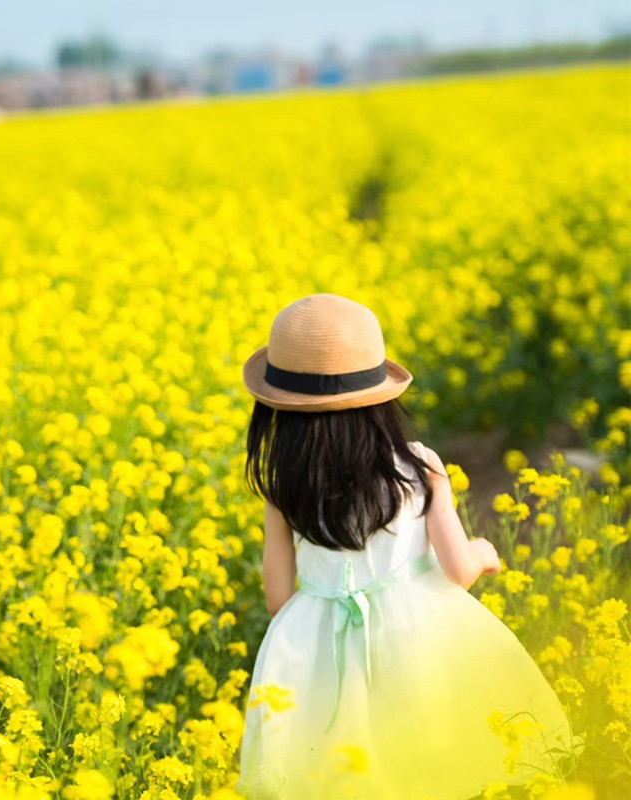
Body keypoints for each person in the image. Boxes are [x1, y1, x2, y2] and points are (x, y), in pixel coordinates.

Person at [234, 294, 583, 800]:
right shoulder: (418, 467)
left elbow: (277, 599)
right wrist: (484, 552)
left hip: (316, 642)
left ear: (277, 412)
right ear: (381, 400)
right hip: (418, 631)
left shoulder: (283, 487)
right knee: (432, 758)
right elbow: (459, 570)